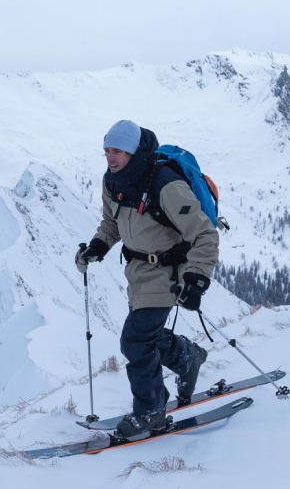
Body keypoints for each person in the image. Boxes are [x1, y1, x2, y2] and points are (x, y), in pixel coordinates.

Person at [76, 120, 219, 438]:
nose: (111, 158)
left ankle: (151, 411)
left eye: (118, 151)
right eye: (107, 151)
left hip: (170, 271)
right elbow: (111, 223)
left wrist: (196, 279)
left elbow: (204, 234)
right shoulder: (112, 181)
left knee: (135, 340)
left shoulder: (165, 184)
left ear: (134, 151)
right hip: (138, 272)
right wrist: (97, 247)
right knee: (147, 336)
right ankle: (187, 358)